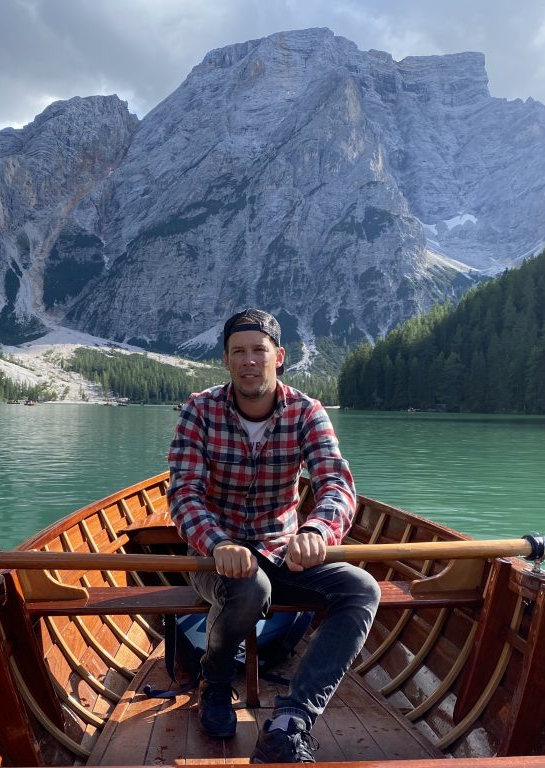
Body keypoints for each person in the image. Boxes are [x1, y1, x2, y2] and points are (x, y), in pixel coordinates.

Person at [167, 308, 381, 764]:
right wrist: (216, 542)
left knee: (361, 589)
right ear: (226, 360)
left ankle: (292, 720)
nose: (249, 361)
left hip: (285, 552)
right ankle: (216, 683)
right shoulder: (198, 410)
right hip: (215, 559)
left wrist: (318, 530)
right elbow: (183, 492)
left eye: (259, 351)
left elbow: (336, 485)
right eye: (239, 352)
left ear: (278, 357)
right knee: (249, 589)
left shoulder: (307, 412)